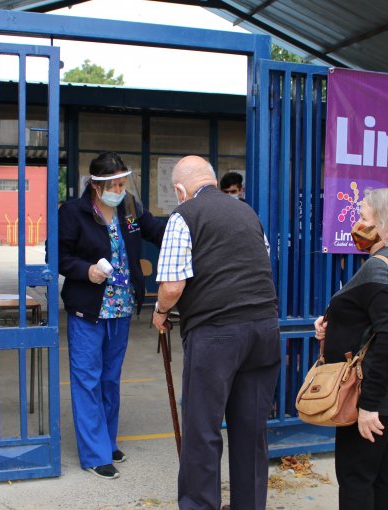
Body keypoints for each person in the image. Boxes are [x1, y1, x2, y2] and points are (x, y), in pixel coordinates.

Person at [152, 155, 280, 510]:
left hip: (216, 333)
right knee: (252, 432)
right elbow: (262, 261)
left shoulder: (184, 216)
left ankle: (199, 505)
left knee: (203, 432)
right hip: (264, 330)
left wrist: (161, 312)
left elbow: (173, 286)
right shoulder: (247, 213)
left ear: (180, 188)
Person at [313, 188, 388, 510]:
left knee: (356, 477)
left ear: (387, 225)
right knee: (383, 473)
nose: (357, 225)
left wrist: (368, 405)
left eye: (364, 218)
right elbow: (380, 317)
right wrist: (332, 323)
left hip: (374, 394)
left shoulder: (380, 268)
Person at [59, 152, 165, 480]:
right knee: (87, 378)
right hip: (87, 308)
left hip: (119, 308)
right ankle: (95, 453)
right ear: (95, 184)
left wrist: (190, 224)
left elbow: (155, 230)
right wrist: (85, 270)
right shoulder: (73, 212)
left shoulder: (129, 206)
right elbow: (58, 255)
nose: (119, 189)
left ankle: (106, 440)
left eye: (122, 182)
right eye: (113, 184)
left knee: (109, 378)